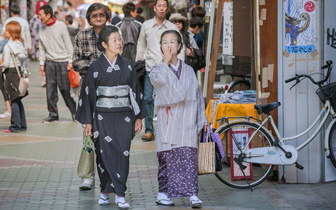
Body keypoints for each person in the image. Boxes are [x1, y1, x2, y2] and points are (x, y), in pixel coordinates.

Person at [75, 25, 147, 208]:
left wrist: (138, 117)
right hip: (102, 116)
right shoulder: (95, 67)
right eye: (115, 40)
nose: (119, 43)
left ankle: (120, 194)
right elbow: (89, 95)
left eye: (120, 39)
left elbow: (136, 92)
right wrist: (88, 122)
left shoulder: (128, 66)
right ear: (104, 44)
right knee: (103, 154)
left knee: (122, 153)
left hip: (124, 116)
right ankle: (105, 192)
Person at [149, 30, 207, 208]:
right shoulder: (157, 69)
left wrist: (202, 119)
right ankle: (162, 193)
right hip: (168, 123)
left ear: (180, 46)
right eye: (164, 42)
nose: (168, 45)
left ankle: (192, 195)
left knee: (189, 158)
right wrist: (165, 63)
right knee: (167, 160)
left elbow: (197, 96)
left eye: (172, 42)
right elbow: (157, 83)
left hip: (187, 121)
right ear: (160, 47)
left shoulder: (189, 70)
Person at [72, 3, 111, 190]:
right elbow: (76, 63)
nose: (98, 17)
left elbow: (122, 58)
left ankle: (111, 173)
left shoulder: (113, 33)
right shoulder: (81, 36)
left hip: (112, 91)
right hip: (88, 90)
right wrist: (97, 67)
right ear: (89, 17)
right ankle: (87, 176)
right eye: (94, 15)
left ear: (107, 16)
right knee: (87, 133)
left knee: (110, 133)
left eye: (101, 14)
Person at [136, 0, 179, 141]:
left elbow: (180, 48)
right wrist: (138, 62)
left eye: (164, 6)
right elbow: (141, 45)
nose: (161, 9)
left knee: (167, 100)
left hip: (168, 70)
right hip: (150, 69)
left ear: (167, 9)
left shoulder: (172, 27)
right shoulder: (146, 26)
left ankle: (166, 128)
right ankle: (149, 130)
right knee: (148, 99)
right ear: (154, 8)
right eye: (159, 6)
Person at [38, 5, 76, 123]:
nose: (39, 17)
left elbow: (68, 44)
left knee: (65, 89)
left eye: (41, 15)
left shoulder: (60, 26)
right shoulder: (42, 29)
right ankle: (53, 115)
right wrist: (41, 63)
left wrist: (70, 61)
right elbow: (42, 48)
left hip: (63, 62)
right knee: (50, 90)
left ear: (48, 15)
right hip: (49, 62)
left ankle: (74, 112)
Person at [0, 21, 28, 133]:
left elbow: (6, 64)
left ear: (11, 33)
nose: (4, 32)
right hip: (18, 73)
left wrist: (1, 65)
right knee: (18, 99)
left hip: (10, 74)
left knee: (14, 101)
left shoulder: (8, 46)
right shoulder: (19, 44)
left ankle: (15, 126)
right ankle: (22, 124)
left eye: (6, 30)